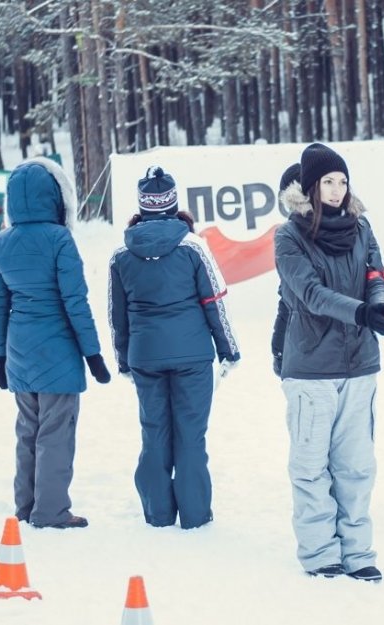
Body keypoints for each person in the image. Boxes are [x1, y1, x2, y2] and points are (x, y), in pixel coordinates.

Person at [274, 143, 384, 582]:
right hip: (311, 368)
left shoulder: (361, 227)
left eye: (342, 181)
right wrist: (361, 312)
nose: (337, 189)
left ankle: (358, 552)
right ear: (311, 186)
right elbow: (309, 294)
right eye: (328, 181)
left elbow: (375, 273)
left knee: (357, 465)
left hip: (360, 363)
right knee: (311, 467)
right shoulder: (288, 236)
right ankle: (319, 553)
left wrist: (380, 306)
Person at [109, 166, 241, 530]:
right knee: (190, 435)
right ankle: (196, 516)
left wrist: (124, 361)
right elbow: (215, 300)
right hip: (193, 357)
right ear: (172, 204)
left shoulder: (121, 253)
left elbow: (116, 315)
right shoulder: (193, 246)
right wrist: (228, 349)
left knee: (154, 434)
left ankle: (158, 513)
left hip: (145, 357)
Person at [0, 156, 111, 530]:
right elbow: (76, 301)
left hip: (20, 351)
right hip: (58, 352)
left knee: (28, 429)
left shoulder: (1, 243)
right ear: (55, 197)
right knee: (55, 433)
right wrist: (93, 354)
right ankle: (52, 511)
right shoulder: (60, 239)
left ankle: (25, 506)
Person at [271, 162, 301, 378]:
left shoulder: (289, 235)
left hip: (304, 349)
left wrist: (278, 348)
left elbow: (289, 300)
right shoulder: (353, 225)